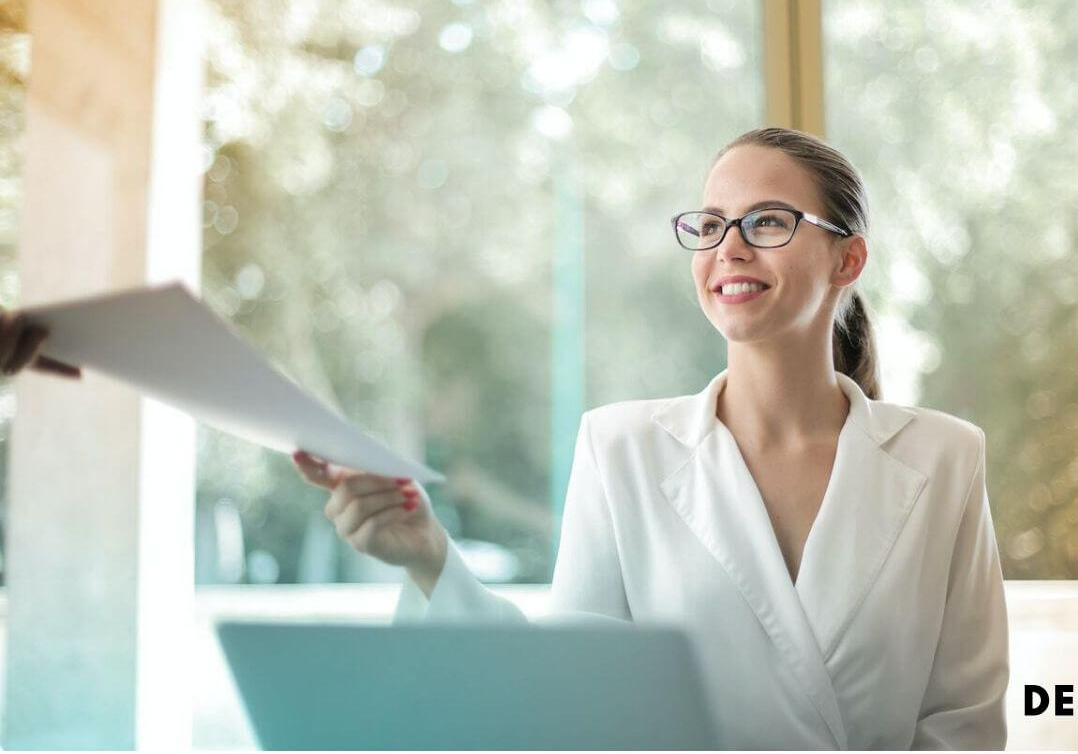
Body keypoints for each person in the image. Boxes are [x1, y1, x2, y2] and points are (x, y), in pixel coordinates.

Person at [7, 127, 1009, 750]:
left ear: (850, 258)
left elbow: (962, 724)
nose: (728, 247)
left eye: (768, 220)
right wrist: (429, 556)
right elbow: (569, 697)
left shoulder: (941, 457)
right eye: (707, 224)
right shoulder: (622, 447)